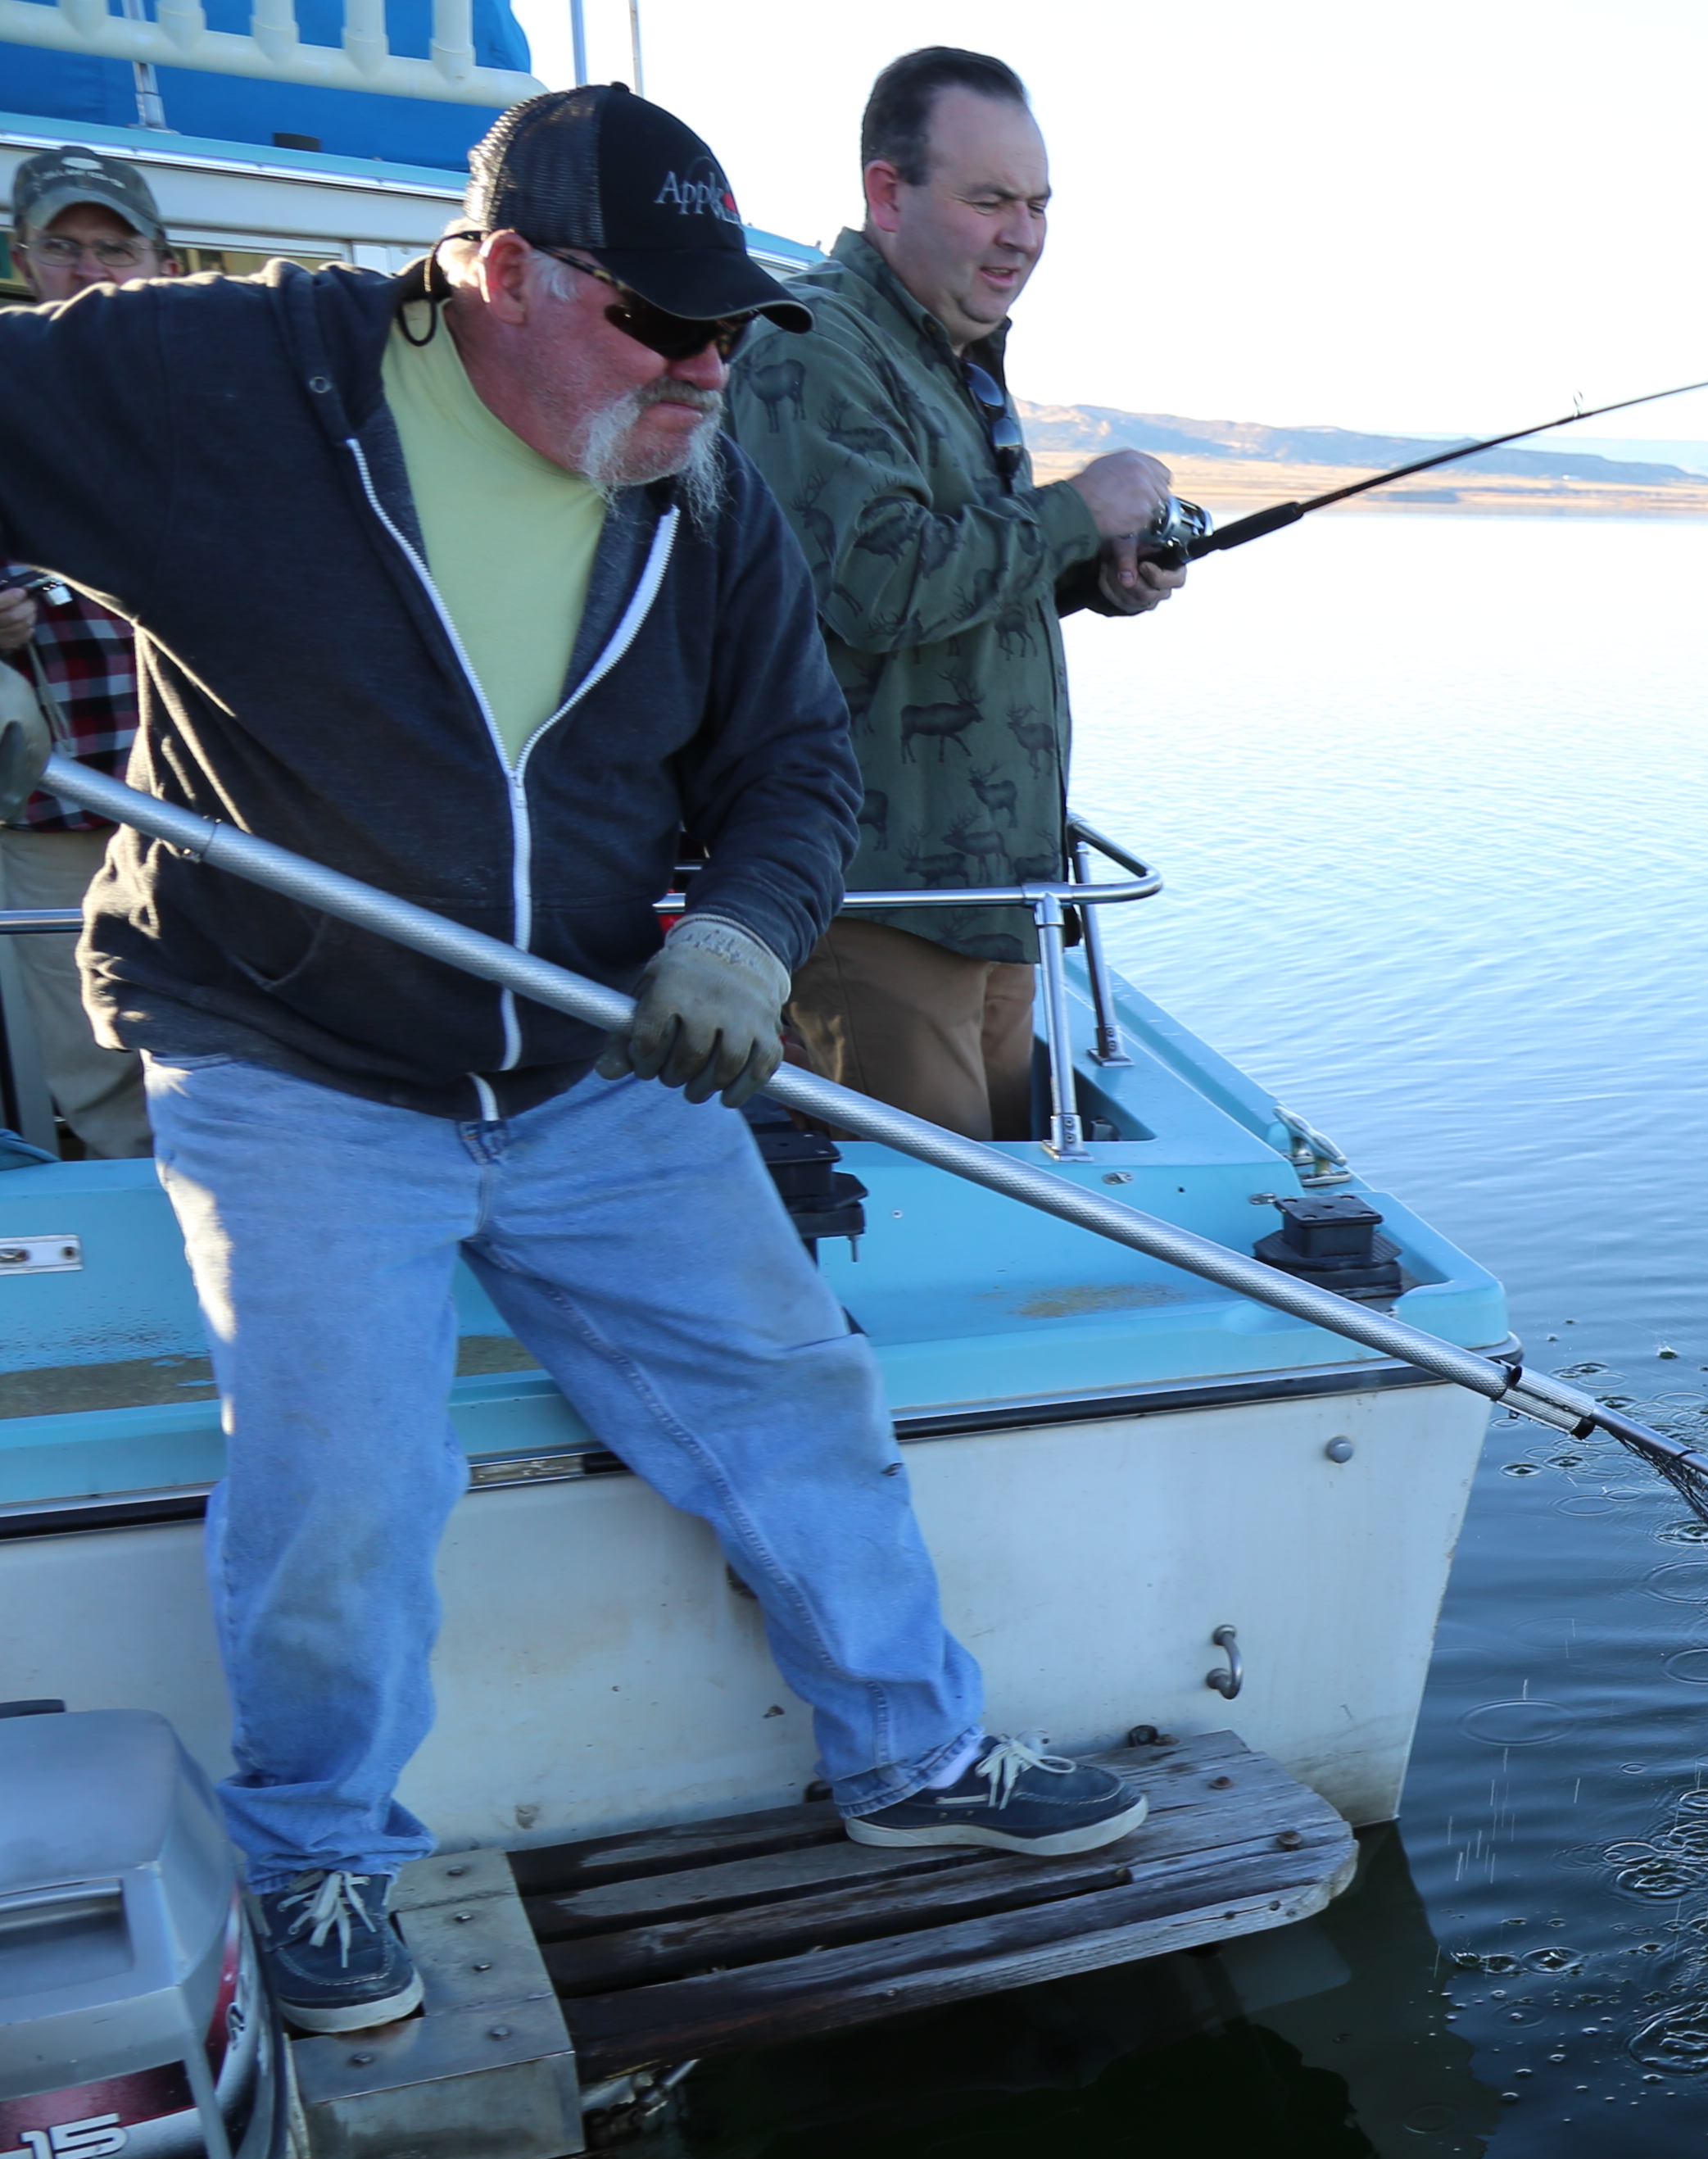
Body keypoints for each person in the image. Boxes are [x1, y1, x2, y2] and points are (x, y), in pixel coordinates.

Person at [0, 83, 1147, 2039]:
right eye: (664, 323)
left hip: (592, 1054)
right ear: (505, 274)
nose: (709, 368)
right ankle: (316, 1859)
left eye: (734, 329)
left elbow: (795, 765)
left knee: (797, 1389)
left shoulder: (705, 491)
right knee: (343, 1464)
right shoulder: (237, 383)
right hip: (290, 1051)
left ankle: (913, 1761)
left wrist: (740, 931)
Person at [726, 46, 1184, 1141]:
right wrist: (1079, 509)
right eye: (988, 201)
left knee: (1006, 1203)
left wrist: (1094, 575)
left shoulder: (950, 354)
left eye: (1037, 204)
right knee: (939, 1217)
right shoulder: (810, 343)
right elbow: (879, 581)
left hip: (989, 895)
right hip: (881, 899)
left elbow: (949, 579)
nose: (1021, 234)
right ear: (888, 193)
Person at [0, 146, 182, 1159]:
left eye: (115, 247)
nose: (89, 268)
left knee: (247, 1046)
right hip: (59, 808)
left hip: (225, 806)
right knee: (97, 1065)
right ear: (25, 258)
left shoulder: (218, 389)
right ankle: (168, 1299)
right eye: (64, 246)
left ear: (159, 260)